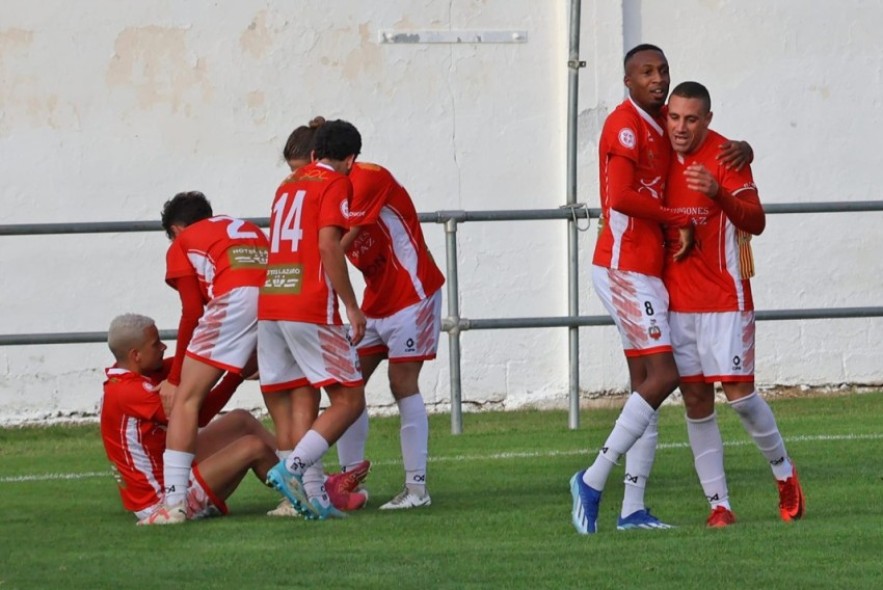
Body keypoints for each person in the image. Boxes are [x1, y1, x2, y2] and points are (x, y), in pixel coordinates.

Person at [570, 44, 751, 534]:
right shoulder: (625, 124)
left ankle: (632, 509)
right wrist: (681, 217)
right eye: (646, 72)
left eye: (663, 70)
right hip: (624, 266)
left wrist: (746, 150)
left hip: (648, 270)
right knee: (665, 375)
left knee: (645, 388)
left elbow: (705, 144)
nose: (657, 78)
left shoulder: (661, 126)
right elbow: (623, 198)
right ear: (627, 80)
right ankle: (591, 478)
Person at [662, 81, 805, 527]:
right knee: (695, 400)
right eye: (673, 117)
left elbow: (756, 221)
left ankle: (784, 474)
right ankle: (719, 505)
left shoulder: (726, 157)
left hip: (726, 297)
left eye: (690, 119)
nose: (680, 128)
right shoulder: (658, 153)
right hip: (676, 301)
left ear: (707, 119)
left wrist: (717, 193)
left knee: (740, 397)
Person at [258, 119, 368, 520]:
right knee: (349, 399)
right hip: (308, 304)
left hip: (272, 301)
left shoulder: (287, 184)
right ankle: (292, 468)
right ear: (351, 159)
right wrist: (351, 306)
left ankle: (311, 497)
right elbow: (327, 245)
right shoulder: (335, 183)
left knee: (294, 399)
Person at [139, 192, 269, 525]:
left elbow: (193, 310)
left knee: (184, 401)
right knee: (283, 395)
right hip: (278, 299)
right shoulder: (247, 229)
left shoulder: (184, 242)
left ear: (178, 228)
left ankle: (175, 502)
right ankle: (309, 484)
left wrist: (175, 377)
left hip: (235, 299)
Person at [329, 158, 446, 511]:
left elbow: (333, 244)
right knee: (347, 384)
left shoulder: (367, 178)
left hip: (412, 295)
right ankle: (347, 483)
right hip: (374, 304)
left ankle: (416, 489)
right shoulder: (329, 193)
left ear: (344, 160)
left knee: (401, 382)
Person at [101, 313, 278, 522]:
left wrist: (242, 350)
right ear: (136, 355)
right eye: (156, 344)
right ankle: (302, 495)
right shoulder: (130, 391)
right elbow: (199, 415)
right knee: (252, 447)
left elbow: (201, 362)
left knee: (240, 420)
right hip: (161, 502)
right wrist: (236, 375)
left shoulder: (133, 377)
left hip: (169, 473)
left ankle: (305, 474)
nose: (163, 347)